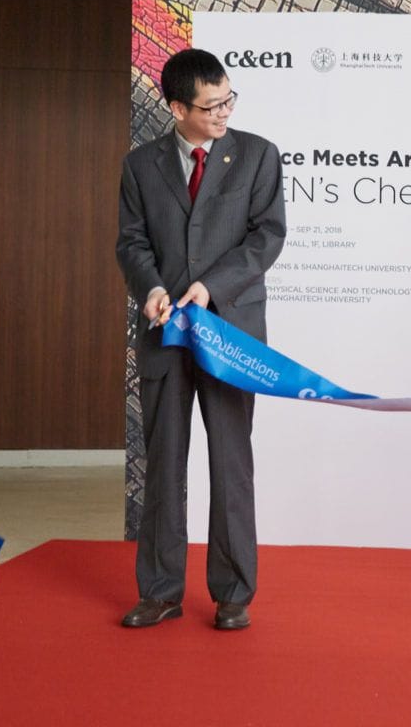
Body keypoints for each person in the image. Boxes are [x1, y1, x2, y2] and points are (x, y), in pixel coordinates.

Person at [116, 48, 286, 630]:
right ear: (177, 107)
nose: (223, 113)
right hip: (166, 335)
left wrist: (209, 288)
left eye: (229, 100)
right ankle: (160, 591)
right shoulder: (141, 165)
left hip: (231, 334)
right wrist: (152, 289)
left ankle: (233, 592)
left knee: (231, 464)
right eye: (212, 105)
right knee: (163, 464)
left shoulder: (258, 156)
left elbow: (266, 239)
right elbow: (131, 243)